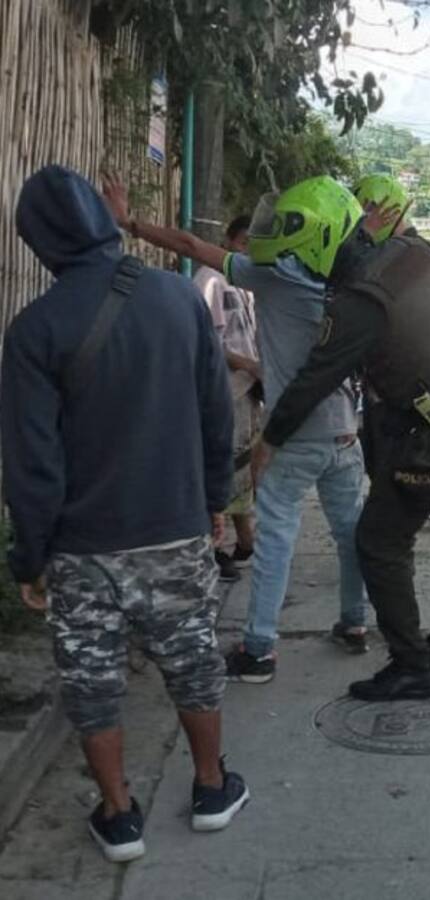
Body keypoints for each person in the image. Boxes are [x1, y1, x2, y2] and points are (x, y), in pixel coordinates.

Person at [2, 166, 249, 863]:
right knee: (193, 662)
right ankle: (210, 788)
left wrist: (32, 556)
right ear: (101, 221)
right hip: (174, 529)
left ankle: (118, 817)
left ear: (39, 241)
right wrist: (211, 506)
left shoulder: (33, 331)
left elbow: (33, 466)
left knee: (92, 683)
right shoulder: (178, 300)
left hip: (82, 549)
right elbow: (214, 416)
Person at [102, 177, 370, 684]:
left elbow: (190, 246)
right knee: (349, 533)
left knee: (275, 541)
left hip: (296, 434)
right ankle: (354, 624)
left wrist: (129, 221)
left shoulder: (272, 276)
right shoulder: (345, 285)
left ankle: (259, 650)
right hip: (344, 431)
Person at [250, 175, 430, 702]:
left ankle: (411, 665)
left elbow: (312, 379)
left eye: (297, 256)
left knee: (379, 540)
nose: (296, 269)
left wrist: (268, 440)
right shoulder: (410, 251)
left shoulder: (356, 304)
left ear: (320, 243)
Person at [193, 215, 261, 582]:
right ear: (229, 241)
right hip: (225, 389)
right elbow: (208, 343)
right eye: (244, 242)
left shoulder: (246, 285)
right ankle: (217, 549)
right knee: (225, 465)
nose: (249, 250)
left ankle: (242, 538)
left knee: (242, 465)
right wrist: (248, 364)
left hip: (248, 389)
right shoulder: (210, 281)